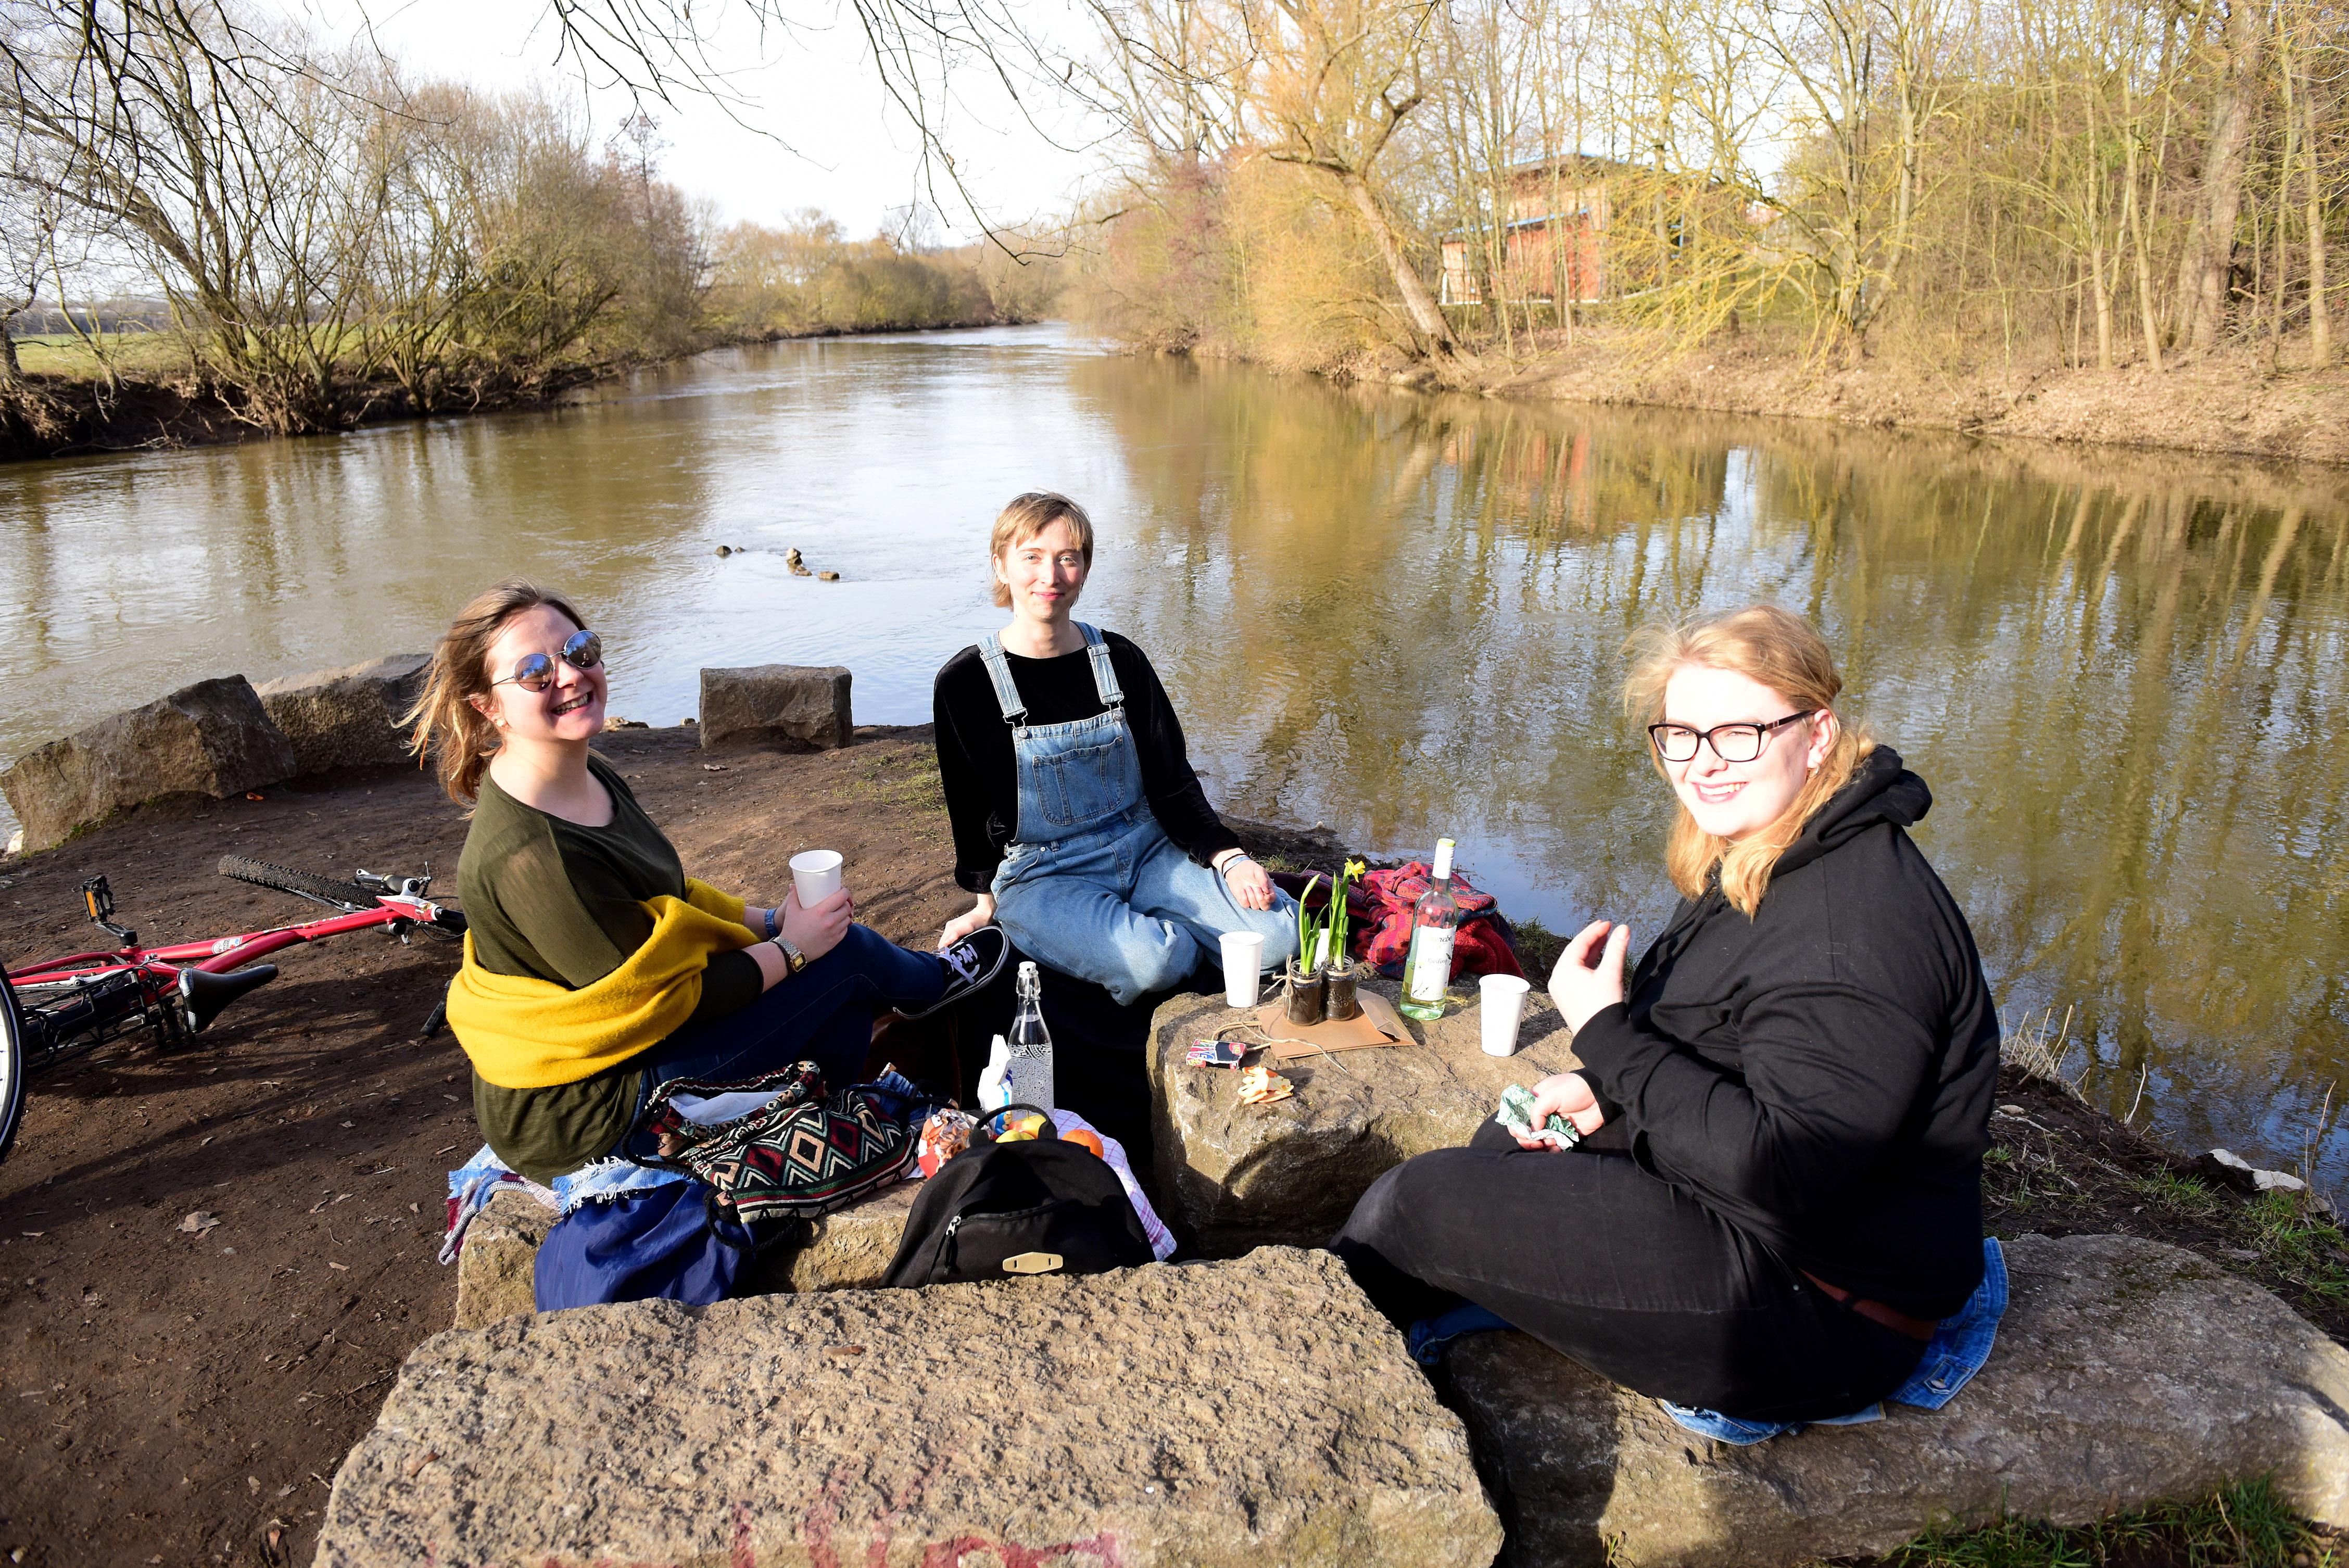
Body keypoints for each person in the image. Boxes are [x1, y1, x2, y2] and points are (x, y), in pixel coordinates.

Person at [1332, 604, 2000, 1424]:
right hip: (1764, 1228)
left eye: (1739, 734)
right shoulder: (1774, 846)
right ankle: (1396, 1338)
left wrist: (1609, 1037)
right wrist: (1605, 1090)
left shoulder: (1851, 929)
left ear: (1816, 735)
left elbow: (1787, 1172)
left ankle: (1320, 1369)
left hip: (1822, 1309)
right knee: (1502, 1147)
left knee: (1414, 1206)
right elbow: (1732, 1043)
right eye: (1680, 735)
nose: (1703, 763)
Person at [412, 580, 1006, 1186]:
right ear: (487, 705)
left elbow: (670, 895)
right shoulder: (532, 857)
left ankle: (824, 1111)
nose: (568, 675)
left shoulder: (584, 772)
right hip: (588, 1107)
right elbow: (663, 1002)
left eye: (579, 650)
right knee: (847, 960)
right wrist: (793, 949)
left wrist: (771, 922)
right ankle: (940, 983)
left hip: (631, 1042)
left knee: (844, 1011)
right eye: (534, 673)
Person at [932, 492, 1298, 1007]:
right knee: (1154, 963)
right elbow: (968, 807)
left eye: (1067, 558)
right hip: (1045, 874)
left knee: (1279, 939)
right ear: (1001, 565)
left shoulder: (1121, 659)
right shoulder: (964, 683)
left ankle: (1164, 920)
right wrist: (984, 903)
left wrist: (1229, 858)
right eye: (1032, 557)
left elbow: (1172, 779)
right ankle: (1123, 932)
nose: (1050, 576)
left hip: (1147, 848)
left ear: (1084, 568)